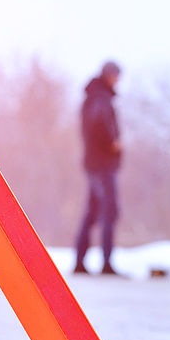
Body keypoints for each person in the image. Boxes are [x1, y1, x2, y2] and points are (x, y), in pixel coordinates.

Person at [74, 61, 122, 275]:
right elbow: (99, 123)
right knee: (109, 210)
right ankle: (106, 263)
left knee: (93, 211)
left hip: (95, 163)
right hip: (102, 164)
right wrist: (112, 141)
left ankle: (80, 261)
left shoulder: (94, 96)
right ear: (109, 76)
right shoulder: (100, 98)